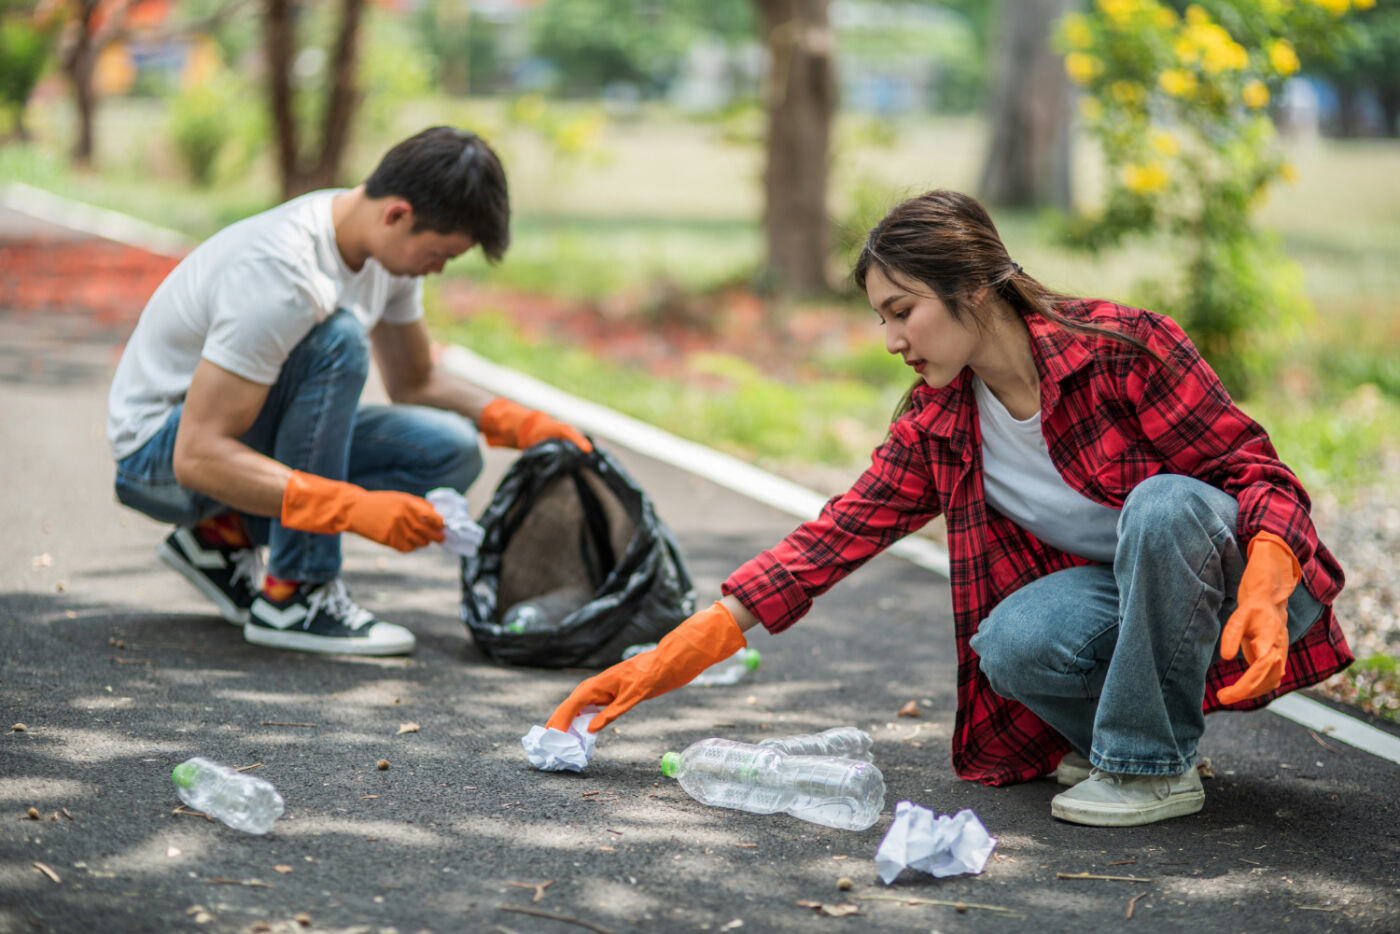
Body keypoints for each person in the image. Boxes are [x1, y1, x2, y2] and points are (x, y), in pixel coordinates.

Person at [546, 189, 1351, 827]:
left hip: (1252, 586)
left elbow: (1258, 475)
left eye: (904, 310)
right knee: (1009, 640)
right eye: (880, 318)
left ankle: (1145, 764)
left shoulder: (1120, 350)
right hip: (1134, 602)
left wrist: (1266, 589)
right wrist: (661, 663)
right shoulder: (940, 423)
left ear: (973, 286)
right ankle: (1135, 748)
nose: (892, 338)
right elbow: (825, 545)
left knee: (1164, 502)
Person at [108, 126, 591, 657]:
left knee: (446, 451)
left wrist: (521, 424)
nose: (440, 268)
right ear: (397, 215)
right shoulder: (284, 271)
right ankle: (297, 594)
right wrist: (351, 507)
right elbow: (196, 458)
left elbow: (415, 381)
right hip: (157, 457)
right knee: (337, 341)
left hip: (218, 443)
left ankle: (218, 538)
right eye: (440, 253)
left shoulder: (385, 254)